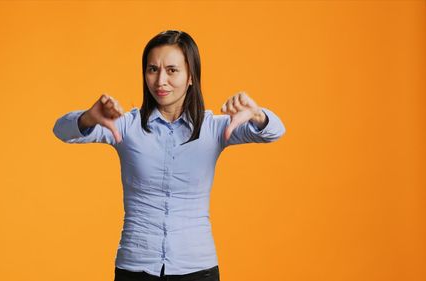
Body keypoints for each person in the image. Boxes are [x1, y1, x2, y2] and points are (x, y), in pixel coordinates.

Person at [53, 30, 286, 281]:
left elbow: (274, 132)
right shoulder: (124, 125)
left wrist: (258, 115)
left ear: (190, 77)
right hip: (136, 267)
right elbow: (61, 130)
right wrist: (87, 118)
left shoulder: (213, 128)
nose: (160, 80)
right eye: (153, 69)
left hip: (198, 268)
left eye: (172, 70)